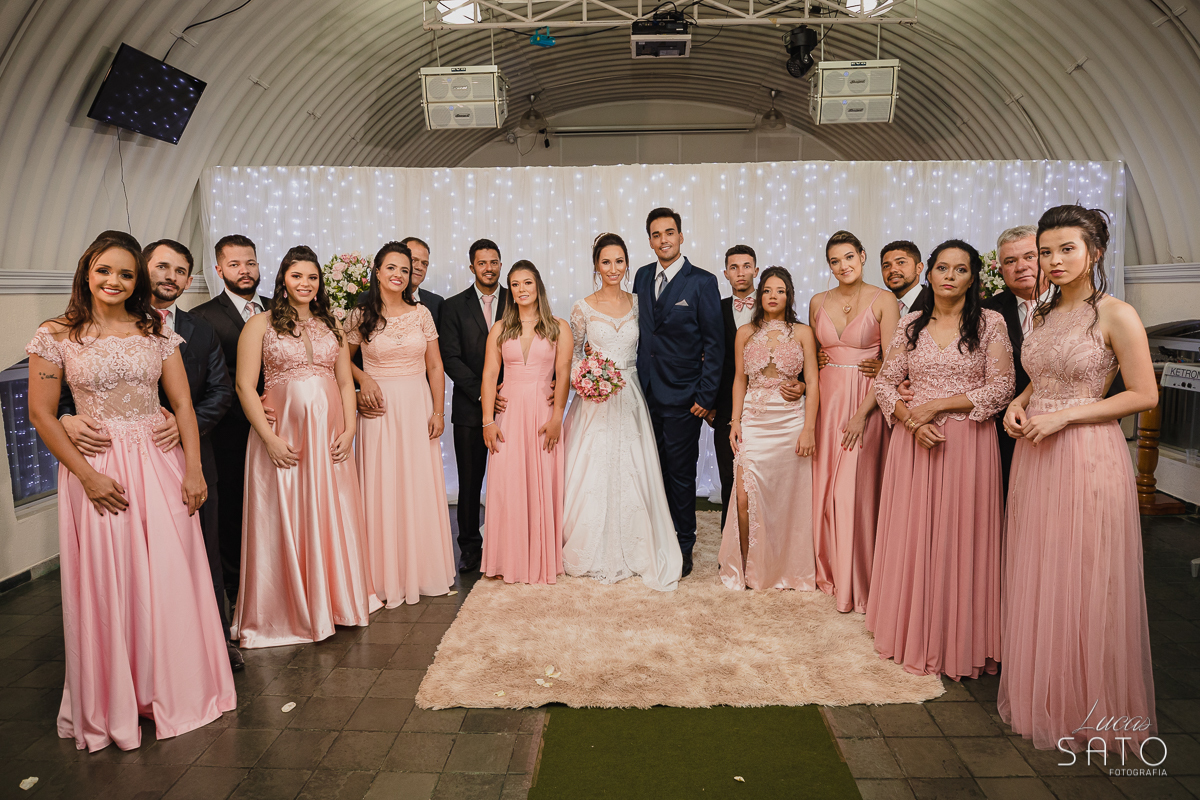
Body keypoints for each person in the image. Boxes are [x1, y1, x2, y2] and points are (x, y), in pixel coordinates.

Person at [26, 233, 235, 752]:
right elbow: (41, 414)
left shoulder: (155, 330)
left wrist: (193, 470)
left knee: (169, 573)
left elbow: (183, 405)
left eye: (124, 274)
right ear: (87, 271)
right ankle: (117, 696)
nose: (114, 282)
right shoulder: (55, 335)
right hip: (96, 467)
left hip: (159, 462)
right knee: (110, 580)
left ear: (135, 281)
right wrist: (88, 477)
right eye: (104, 271)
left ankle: (171, 686)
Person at [999, 205, 1158, 753]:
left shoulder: (1117, 314)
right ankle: (1044, 691)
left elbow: (1143, 394)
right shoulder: (1040, 314)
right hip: (1035, 456)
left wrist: (1065, 415)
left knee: (1085, 573)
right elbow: (1038, 377)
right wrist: (1017, 405)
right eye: (1046, 251)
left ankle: (1088, 704)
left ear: (1095, 252)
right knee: (1042, 570)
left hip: (1086, 453)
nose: (1054, 260)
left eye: (1067, 249)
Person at [58, 238, 243, 671]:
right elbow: (63, 396)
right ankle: (134, 660)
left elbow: (219, 389)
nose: (171, 277)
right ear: (146, 269)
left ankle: (209, 646)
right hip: (110, 460)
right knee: (123, 566)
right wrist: (66, 419)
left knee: (197, 558)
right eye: (162, 267)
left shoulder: (196, 327)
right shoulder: (68, 334)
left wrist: (184, 424)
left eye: (181, 271)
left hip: (185, 459)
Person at [867, 240, 1014, 680]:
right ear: (928, 273)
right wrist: (912, 421)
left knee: (961, 536)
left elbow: (1002, 387)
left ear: (973, 277)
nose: (950, 276)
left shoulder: (991, 323)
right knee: (914, 535)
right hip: (915, 445)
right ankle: (909, 629)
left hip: (969, 444)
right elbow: (885, 384)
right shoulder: (910, 324)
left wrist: (939, 407)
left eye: (961, 269)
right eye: (943, 268)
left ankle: (959, 639)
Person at [233, 246, 379, 647]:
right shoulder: (260, 324)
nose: (305, 283)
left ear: (320, 283)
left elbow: (345, 382)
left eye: (312, 277)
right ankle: (290, 611)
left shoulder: (330, 322)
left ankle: (337, 602)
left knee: (334, 511)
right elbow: (245, 385)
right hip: (286, 437)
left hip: (330, 435)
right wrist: (269, 437)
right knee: (288, 515)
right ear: (283, 280)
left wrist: (350, 429)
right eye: (297, 276)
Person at [561, 234, 682, 591]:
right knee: (591, 467)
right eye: (605, 262)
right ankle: (586, 545)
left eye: (619, 261)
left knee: (633, 464)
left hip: (630, 391)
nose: (613, 268)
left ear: (627, 263)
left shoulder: (639, 302)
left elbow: (654, 347)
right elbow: (576, 355)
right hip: (594, 398)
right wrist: (585, 379)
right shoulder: (582, 307)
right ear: (596, 266)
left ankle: (636, 544)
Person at [347, 242, 456, 606]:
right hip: (378, 410)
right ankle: (383, 575)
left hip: (417, 404)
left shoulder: (421, 313)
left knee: (418, 484)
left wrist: (438, 412)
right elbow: (339, 362)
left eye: (405, 270)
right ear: (376, 271)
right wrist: (364, 379)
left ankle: (421, 570)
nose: (398, 275)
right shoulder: (358, 314)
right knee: (382, 484)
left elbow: (436, 366)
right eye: (391, 267)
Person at [809, 230, 900, 613]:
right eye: (834, 261)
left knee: (852, 493)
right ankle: (825, 569)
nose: (842, 266)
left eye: (849, 257)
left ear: (862, 257)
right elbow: (809, 352)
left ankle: (855, 580)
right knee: (822, 488)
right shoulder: (817, 301)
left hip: (867, 402)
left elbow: (894, 363)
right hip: (826, 402)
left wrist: (863, 414)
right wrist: (814, 363)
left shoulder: (885, 299)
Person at [633, 208, 723, 578]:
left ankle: (684, 544)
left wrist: (705, 396)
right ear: (650, 239)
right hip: (644, 393)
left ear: (681, 237)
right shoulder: (640, 276)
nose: (663, 240)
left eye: (670, 232)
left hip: (685, 397)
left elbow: (715, 344)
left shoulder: (701, 281)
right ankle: (657, 538)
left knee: (681, 475)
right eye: (656, 234)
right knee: (651, 471)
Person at [717, 267, 820, 591]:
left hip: (790, 421)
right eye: (767, 291)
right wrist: (735, 422)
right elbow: (738, 379)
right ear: (760, 296)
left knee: (785, 499)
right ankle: (749, 569)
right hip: (755, 418)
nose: (773, 296)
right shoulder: (745, 332)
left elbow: (814, 383)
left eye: (780, 291)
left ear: (788, 296)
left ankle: (783, 569)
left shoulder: (802, 332)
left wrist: (809, 429)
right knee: (745, 498)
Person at [190, 234, 273, 607]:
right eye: (235, 264)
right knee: (234, 508)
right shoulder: (201, 318)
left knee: (278, 503)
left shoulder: (281, 308)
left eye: (250, 262)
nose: (245, 270)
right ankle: (239, 590)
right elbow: (208, 381)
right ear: (219, 269)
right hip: (230, 430)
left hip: (283, 425)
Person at [480, 261, 573, 584]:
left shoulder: (559, 327)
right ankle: (508, 558)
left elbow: (563, 376)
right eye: (516, 284)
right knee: (507, 484)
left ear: (538, 287)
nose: (521, 290)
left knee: (541, 482)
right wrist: (487, 421)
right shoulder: (500, 328)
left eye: (527, 283)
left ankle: (540, 556)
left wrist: (557, 417)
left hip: (542, 414)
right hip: (509, 415)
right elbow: (490, 374)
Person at [712, 246, 807, 531]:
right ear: (726, 272)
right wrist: (718, 408)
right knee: (736, 484)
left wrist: (801, 385)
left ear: (755, 270)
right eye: (734, 267)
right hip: (735, 409)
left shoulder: (798, 328)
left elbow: (805, 371)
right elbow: (714, 359)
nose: (740, 272)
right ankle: (737, 553)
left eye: (747, 266)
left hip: (786, 414)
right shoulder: (718, 311)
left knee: (781, 487)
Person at [440, 239, 508, 573]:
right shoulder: (453, 307)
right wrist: (485, 394)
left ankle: (509, 540)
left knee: (510, 479)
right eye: (482, 263)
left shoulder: (518, 298)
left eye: (494, 262)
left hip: (513, 406)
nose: (489, 268)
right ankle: (469, 547)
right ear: (472, 267)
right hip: (469, 409)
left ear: (501, 264)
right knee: (469, 482)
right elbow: (449, 358)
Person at [981, 225, 1048, 492]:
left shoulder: (1079, 305)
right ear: (1000, 269)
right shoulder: (986, 313)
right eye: (1010, 261)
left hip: (1069, 428)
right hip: (1006, 434)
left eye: (1029, 256)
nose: (1020, 266)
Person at [881, 240, 933, 316]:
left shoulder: (934, 303)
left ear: (919, 268)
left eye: (901, 262)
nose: (892, 270)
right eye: (886, 266)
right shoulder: (879, 305)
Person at [403, 236, 444, 328]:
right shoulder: (369, 298)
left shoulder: (437, 303)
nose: (419, 267)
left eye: (424, 264)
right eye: (413, 260)